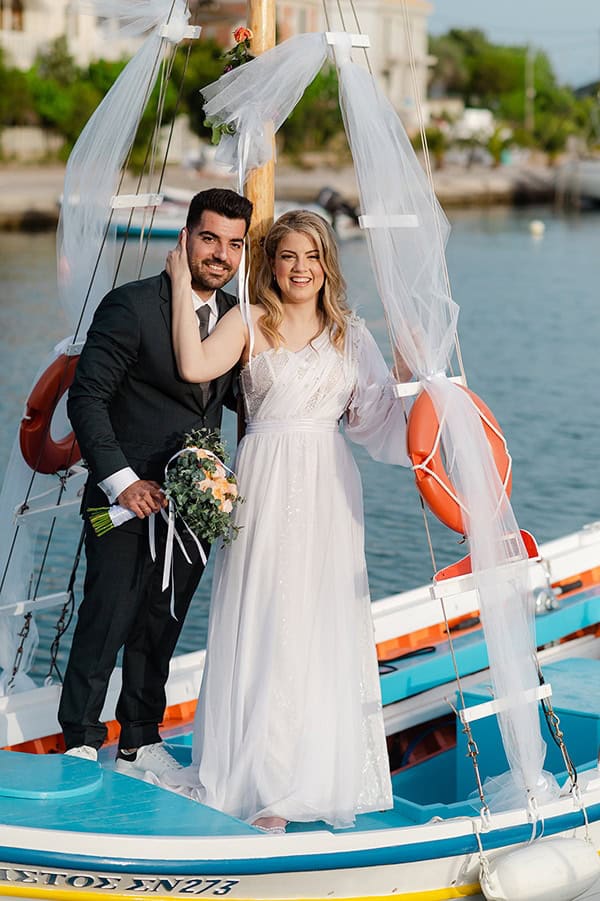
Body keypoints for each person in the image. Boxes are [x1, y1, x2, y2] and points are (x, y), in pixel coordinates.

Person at [164, 209, 412, 831]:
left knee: (320, 620)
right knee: (266, 614)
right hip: (266, 477)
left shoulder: (352, 334)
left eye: (312, 256)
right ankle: (262, 780)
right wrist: (176, 286)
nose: (300, 269)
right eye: (287, 257)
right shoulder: (248, 320)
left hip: (329, 482)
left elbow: (373, 418)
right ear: (270, 264)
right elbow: (195, 366)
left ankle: (313, 778)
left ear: (328, 263)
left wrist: (410, 373)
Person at [58, 188, 253, 780]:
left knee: (162, 621)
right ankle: (82, 741)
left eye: (234, 244)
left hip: (192, 504)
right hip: (122, 501)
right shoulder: (132, 305)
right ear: (186, 236)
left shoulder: (239, 320)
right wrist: (120, 482)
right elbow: (86, 397)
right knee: (107, 615)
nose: (220, 254)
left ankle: (141, 740)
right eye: (210, 238)